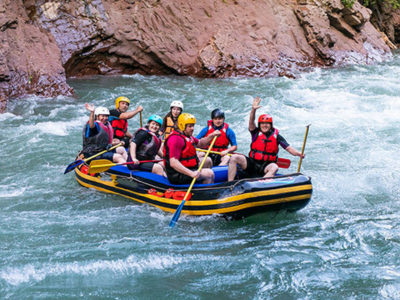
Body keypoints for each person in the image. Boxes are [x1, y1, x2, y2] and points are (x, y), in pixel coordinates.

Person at [227, 97, 305, 181]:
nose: (264, 125)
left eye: (267, 124)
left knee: (274, 167)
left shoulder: (277, 137)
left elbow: (289, 148)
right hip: (252, 163)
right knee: (234, 157)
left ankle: (260, 185)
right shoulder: (255, 133)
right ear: (259, 125)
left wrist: (299, 154)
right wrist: (253, 110)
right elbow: (251, 121)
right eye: (262, 124)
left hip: (266, 166)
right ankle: (230, 184)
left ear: (271, 125)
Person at [164, 113, 221, 184]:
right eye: (190, 126)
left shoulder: (186, 135)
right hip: (176, 175)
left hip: (187, 167)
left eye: (193, 126)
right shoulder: (176, 139)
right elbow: (173, 163)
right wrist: (191, 173)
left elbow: (200, 143)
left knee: (208, 160)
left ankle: (201, 183)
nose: (192, 128)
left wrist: (212, 135)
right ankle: (205, 192)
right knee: (209, 174)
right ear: (182, 126)